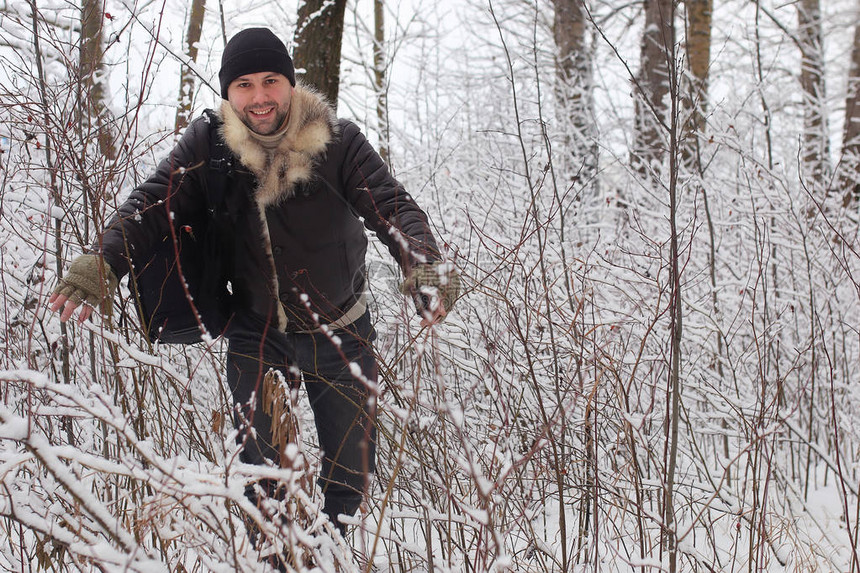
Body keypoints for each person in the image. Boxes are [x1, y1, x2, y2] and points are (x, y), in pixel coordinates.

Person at [48, 27, 458, 537]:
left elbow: (392, 206)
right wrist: (101, 264)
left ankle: (327, 554)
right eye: (244, 84)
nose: (260, 97)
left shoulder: (339, 142)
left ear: (290, 83)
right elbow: (152, 204)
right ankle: (276, 558)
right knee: (263, 481)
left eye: (271, 81)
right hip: (257, 335)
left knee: (351, 478)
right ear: (227, 92)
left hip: (341, 333)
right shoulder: (208, 146)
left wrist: (426, 269)